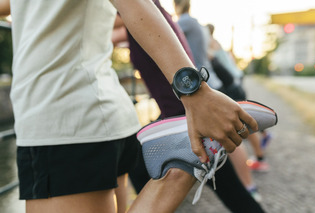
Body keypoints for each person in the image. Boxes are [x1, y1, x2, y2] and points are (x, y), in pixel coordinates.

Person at [1, 0, 258, 213]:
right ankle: (177, 172)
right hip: (83, 116)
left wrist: (195, 92)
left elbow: (135, 4)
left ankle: (178, 173)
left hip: (64, 121)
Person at [112, 1, 265, 212]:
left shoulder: (146, 18)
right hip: (178, 114)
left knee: (138, 165)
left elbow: (111, 28)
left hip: (185, 116)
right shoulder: (153, 20)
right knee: (232, 192)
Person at [174, 0, 264, 201]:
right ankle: (247, 184)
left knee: (226, 136)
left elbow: (160, 33)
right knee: (227, 133)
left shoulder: (185, 22)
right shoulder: (199, 25)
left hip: (202, 86)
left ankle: (247, 187)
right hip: (210, 81)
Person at [206, 23, 270, 173]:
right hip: (234, 82)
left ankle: (260, 158)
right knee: (245, 119)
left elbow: (212, 61)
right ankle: (264, 141)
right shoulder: (216, 43)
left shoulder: (211, 43)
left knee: (243, 123)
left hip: (230, 85)